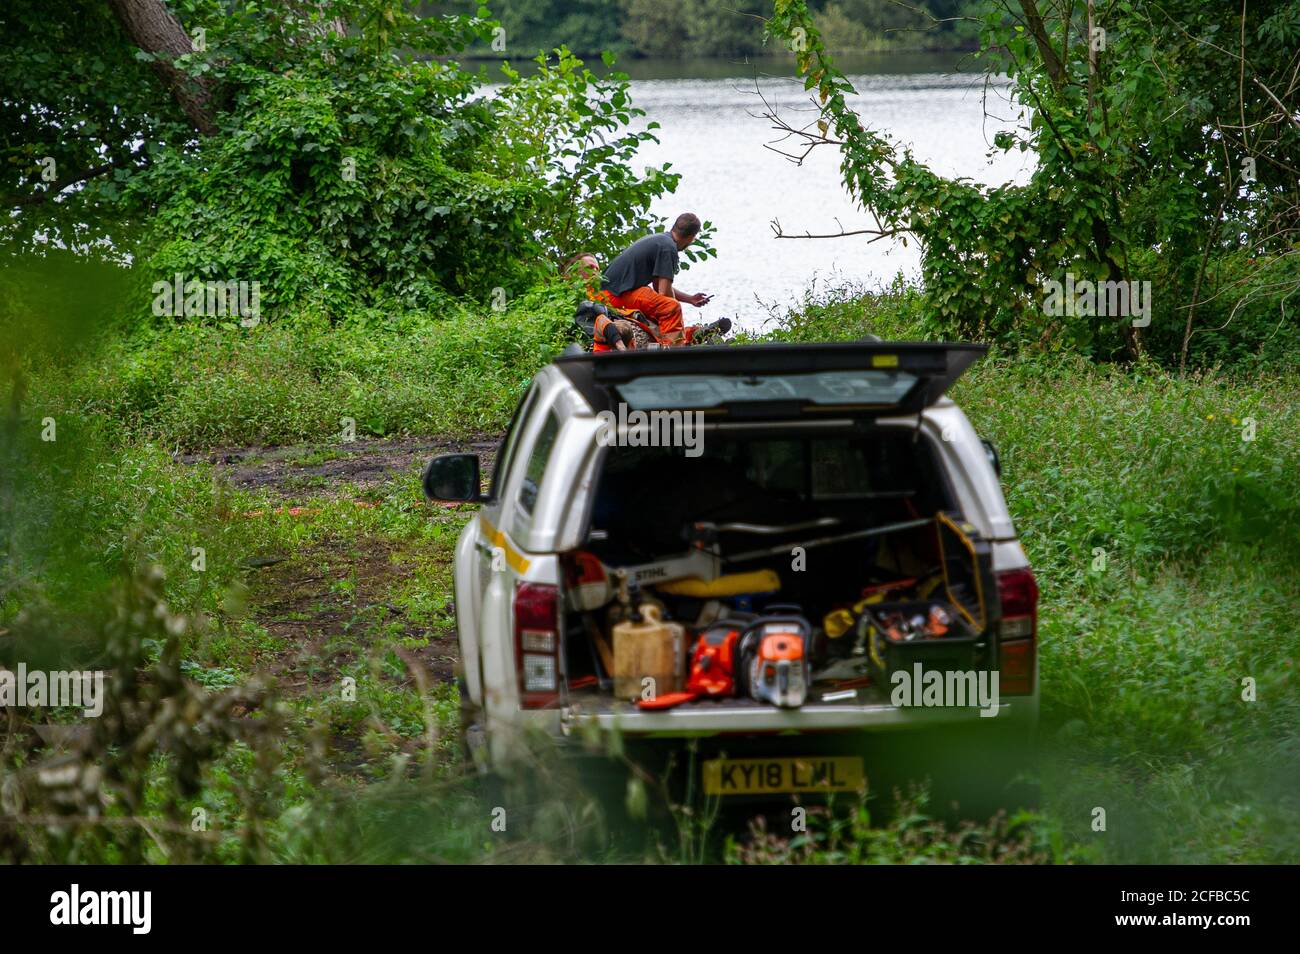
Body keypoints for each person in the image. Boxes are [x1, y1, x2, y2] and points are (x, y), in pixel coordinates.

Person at [599, 213, 711, 346]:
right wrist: (676, 310)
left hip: (609, 293)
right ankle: (675, 349)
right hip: (613, 296)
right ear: (692, 237)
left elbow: (660, 288)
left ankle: (688, 335)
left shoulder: (661, 240)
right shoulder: (668, 248)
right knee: (671, 307)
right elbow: (665, 294)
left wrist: (690, 299)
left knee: (658, 304)